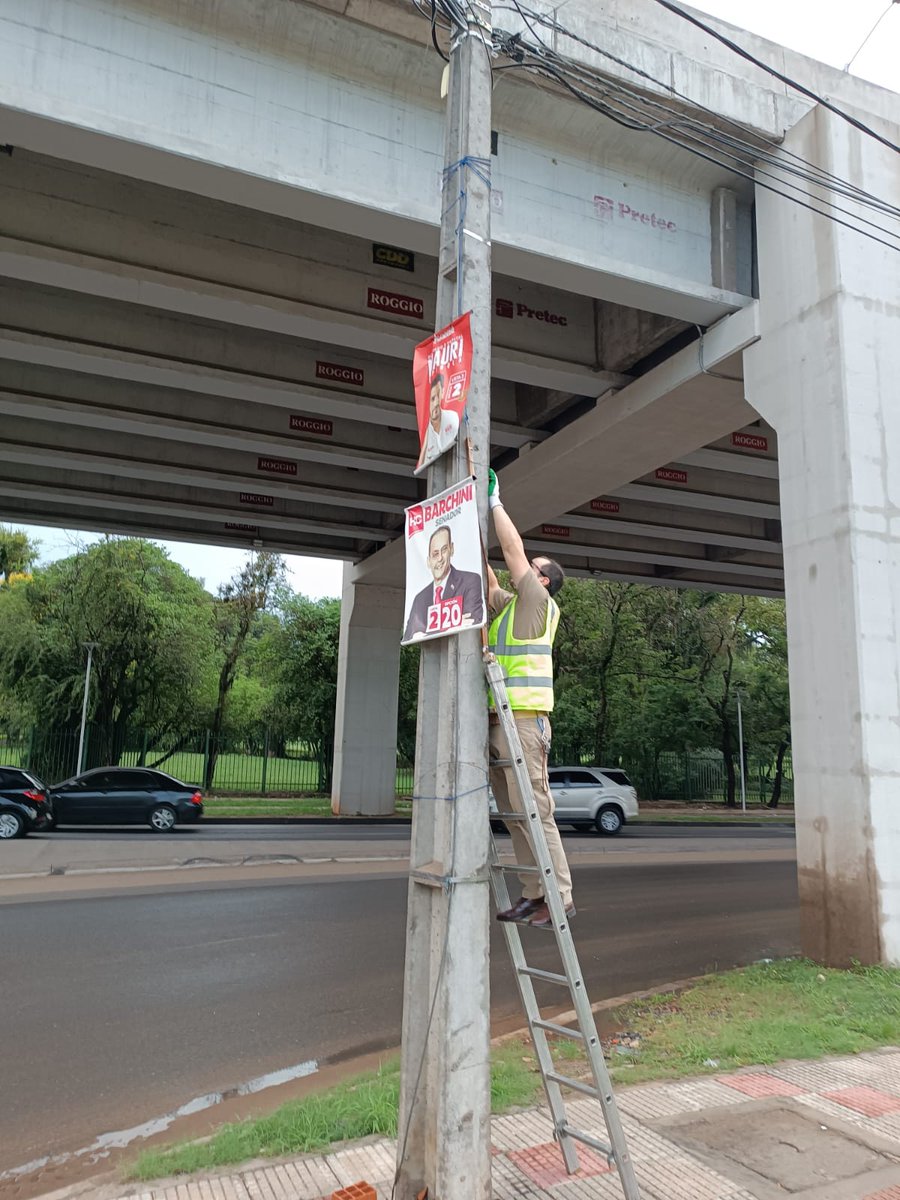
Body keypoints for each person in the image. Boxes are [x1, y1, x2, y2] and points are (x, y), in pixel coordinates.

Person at [485, 468, 572, 929]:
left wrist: (494, 503)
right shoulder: (510, 610)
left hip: (525, 721)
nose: (523, 568)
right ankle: (534, 894)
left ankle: (559, 894)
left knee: (536, 811)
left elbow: (512, 552)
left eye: (532, 568)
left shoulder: (539, 603)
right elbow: (488, 582)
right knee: (515, 814)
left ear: (542, 581)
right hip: (502, 721)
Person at [403, 523, 484, 642]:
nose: (440, 558)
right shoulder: (419, 599)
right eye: (435, 554)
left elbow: (472, 623)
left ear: (452, 549)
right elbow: (409, 637)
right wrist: (453, 624)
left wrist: (426, 632)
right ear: (428, 561)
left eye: (444, 550)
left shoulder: (470, 581)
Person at [415, 371, 460, 472]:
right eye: (432, 399)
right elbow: (421, 465)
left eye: (438, 396)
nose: (436, 403)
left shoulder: (452, 418)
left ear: (443, 394)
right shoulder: (427, 436)